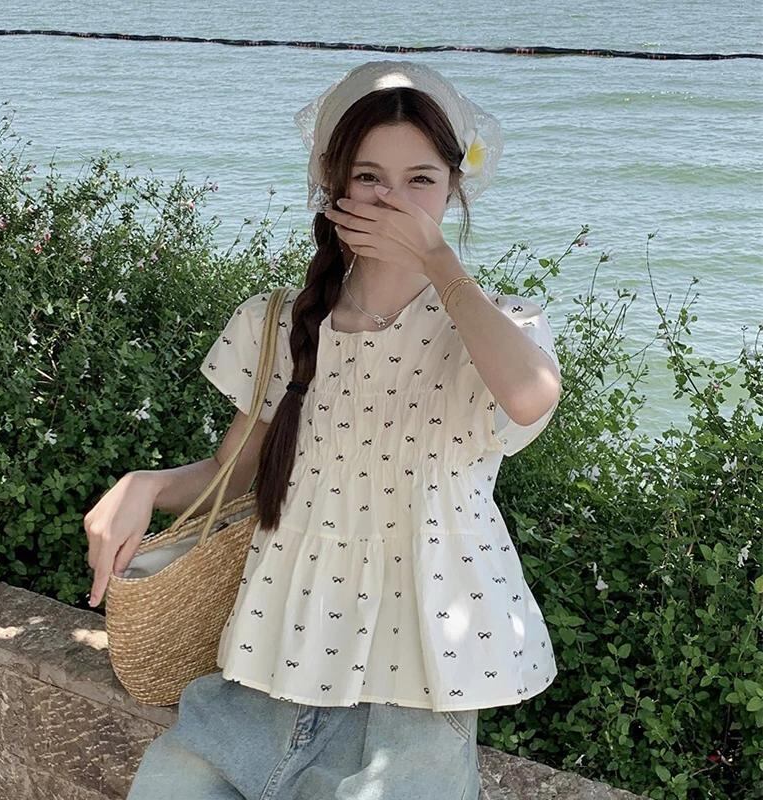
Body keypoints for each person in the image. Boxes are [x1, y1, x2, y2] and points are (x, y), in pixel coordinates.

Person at [84, 59, 563, 800]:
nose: (393, 202)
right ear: (332, 187)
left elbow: (530, 397)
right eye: (369, 178)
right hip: (269, 666)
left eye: (420, 180)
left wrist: (438, 262)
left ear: (454, 188)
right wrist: (144, 484)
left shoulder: (495, 326)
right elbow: (234, 473)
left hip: (415, 695)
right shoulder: (277, 322)